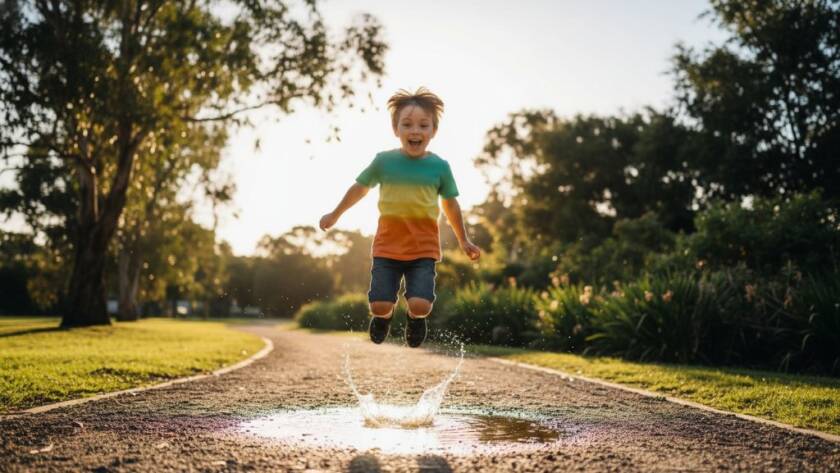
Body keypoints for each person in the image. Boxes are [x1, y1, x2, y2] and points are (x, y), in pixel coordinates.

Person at [319, 87, 481, 347]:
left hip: (423, 249)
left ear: (433, 131)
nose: (415, 130)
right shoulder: (384, 162)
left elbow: (451, 205)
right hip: (387, 247)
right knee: (380, 305)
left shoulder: (440, 167)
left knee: (420, 305)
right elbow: (360, 188)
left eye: (423, 125)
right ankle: (384, 318)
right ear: (396, 129)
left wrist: (464, 241)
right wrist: (335, 214)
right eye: (407, 124)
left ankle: (415, 320)